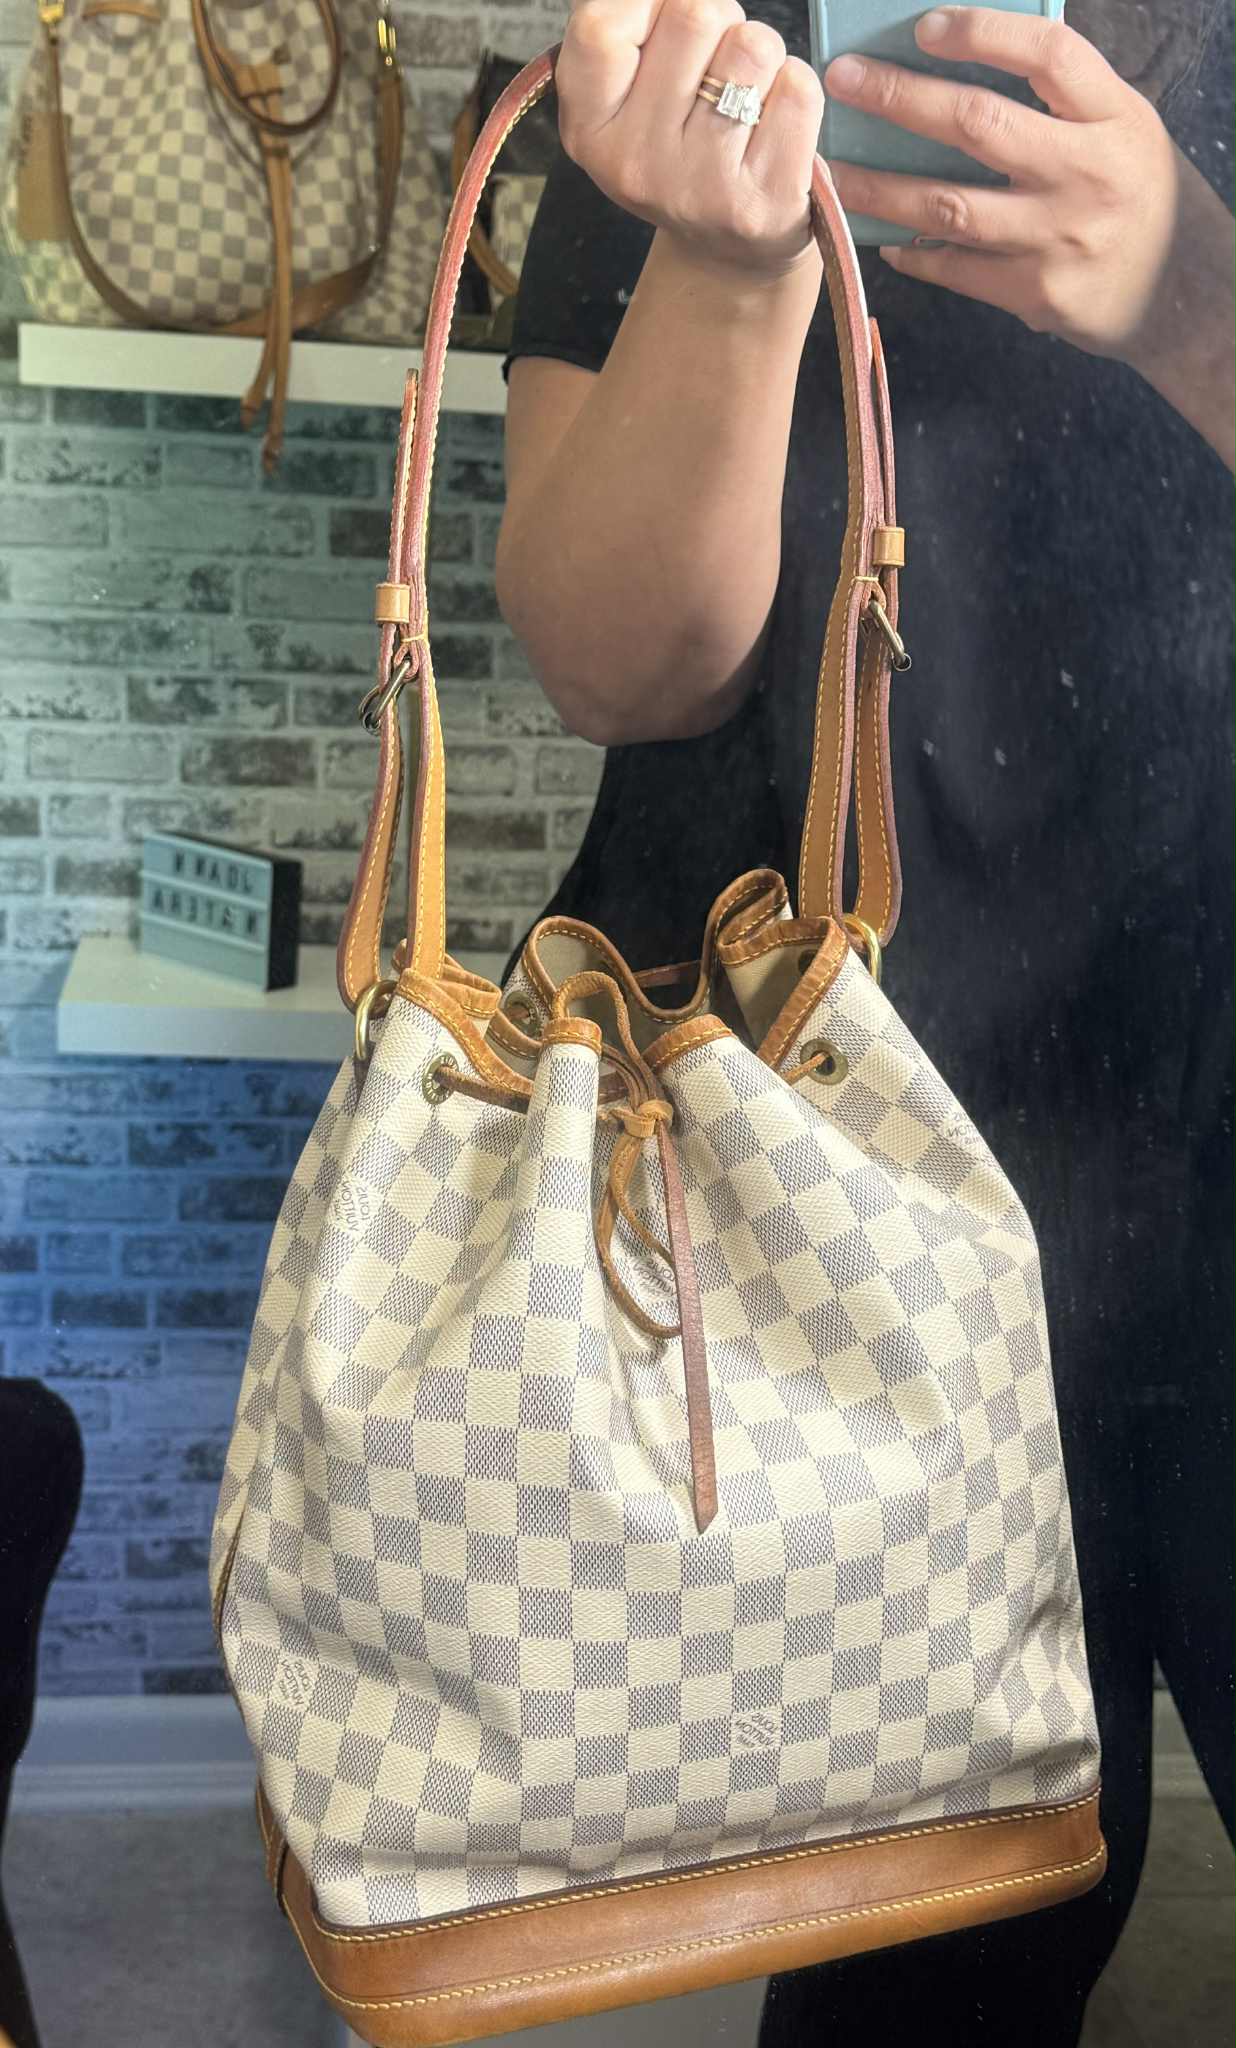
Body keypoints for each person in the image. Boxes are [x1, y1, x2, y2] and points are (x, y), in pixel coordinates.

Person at [493, 1, 1235, 2040]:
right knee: (919, 1992)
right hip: (841, 1240)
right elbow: (619, 665)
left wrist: (1194, 298)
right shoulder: (698, 56)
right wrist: (732, 272)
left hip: (1206, 1164)